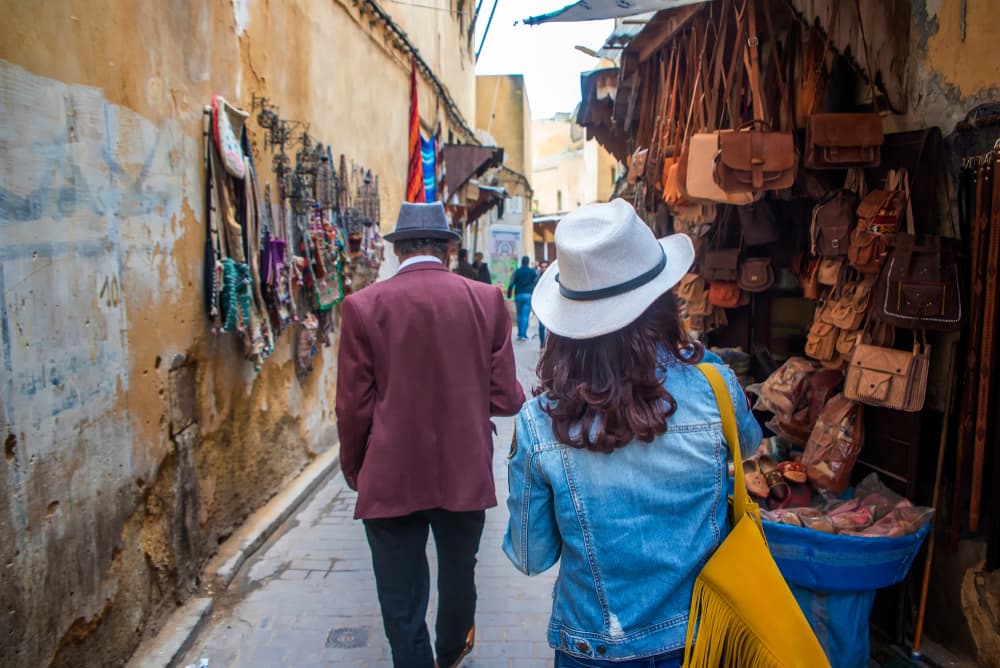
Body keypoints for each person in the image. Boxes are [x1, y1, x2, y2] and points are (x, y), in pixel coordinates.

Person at [503, 199, 761, 667]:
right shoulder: (714, 386)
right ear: (663, 302)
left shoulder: (540, 421)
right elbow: (750, 446)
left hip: (595, 648)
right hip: (700, 640)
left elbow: (530, 555)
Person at [337, 202, 525, 668]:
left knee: (400, 591)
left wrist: (354, 466)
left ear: (398, 250)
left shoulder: (363, 307)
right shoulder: (486, 300)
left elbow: (352, 406)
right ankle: (451, 655)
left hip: (390, 469)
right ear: (448, 249)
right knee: (459, 575)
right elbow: (505, 399)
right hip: (464, 468)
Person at [506, 255, 537, 341]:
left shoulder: (516, 272)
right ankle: (524, 334)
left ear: (522, 262)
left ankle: (520, 333)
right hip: (528, 295)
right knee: (525, 315)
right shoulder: (532, 272)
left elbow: (511, 283)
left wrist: (509, 295)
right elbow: (536, 283)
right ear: (528, 262)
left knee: (519, 314)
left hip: (518, 295)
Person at [535, 260, 549, 347]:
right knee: (541, 326)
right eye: (542, 267)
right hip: (541, 305)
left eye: (546, 267)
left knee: (551, 327)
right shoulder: (537, 278)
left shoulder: (554, 278)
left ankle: (550, 345)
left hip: (551, 305)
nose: (544, 269)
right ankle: (542, 344)